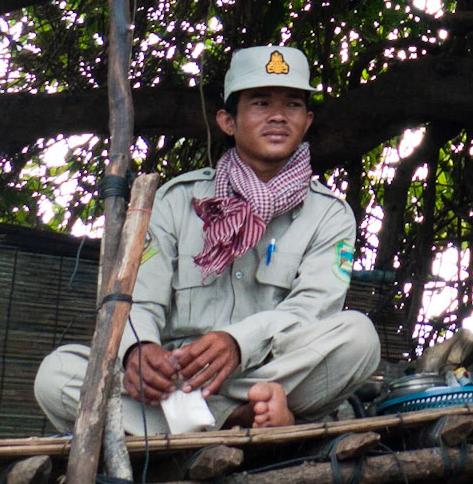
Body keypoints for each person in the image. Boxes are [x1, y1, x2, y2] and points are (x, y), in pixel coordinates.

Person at [35, 44, 380, 434]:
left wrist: (237, 343)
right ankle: (244, 422)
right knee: (56, 374)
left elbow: (312, 310)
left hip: (266, 373)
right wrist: (139, 350)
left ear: (307, 120)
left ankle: (207, 426)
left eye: (294, 105)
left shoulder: (329, 214)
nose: (279, 116)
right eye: (261, 103)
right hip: (175, 385)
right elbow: (139, 299)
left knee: (358, 338)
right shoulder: (175, 200)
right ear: (227, 121)